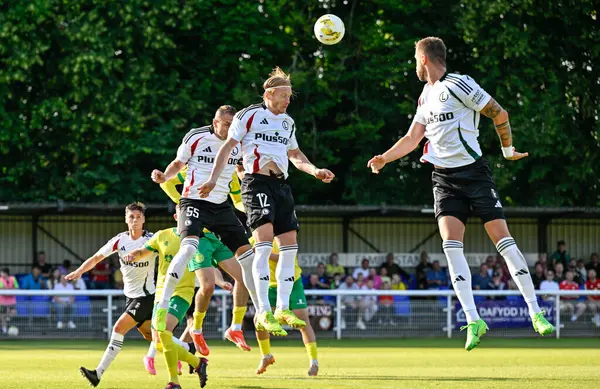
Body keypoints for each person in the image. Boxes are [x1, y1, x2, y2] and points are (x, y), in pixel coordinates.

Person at [367, 36, 554, 350]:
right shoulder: (425, 96)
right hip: (443, 179)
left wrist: (507, 150)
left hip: (475, 174)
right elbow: (413, 138)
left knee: (503, 240)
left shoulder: (459, 84)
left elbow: (499, 112)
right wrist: (385, 157)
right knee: (451, 247)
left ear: (424, 58)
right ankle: (473, 320)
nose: (414, 64)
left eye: (415, 58)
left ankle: (536, 312)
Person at [198, 68, 335, 335]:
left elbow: (295, 154)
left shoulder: (287, 122)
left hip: (281, 185)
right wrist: (215, 179)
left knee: (289, 247)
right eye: (283, 96)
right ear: (269, 94)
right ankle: (263, 311)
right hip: (255, 182)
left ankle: (282, 307)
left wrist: (315, 170)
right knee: (262, 244)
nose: (287, 101)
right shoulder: (248, 115)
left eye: (289, 97)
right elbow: (227, 147)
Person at [149, 105, 257, 338]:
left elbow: (241, 172)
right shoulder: (197, 137)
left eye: (233, 124)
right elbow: (178, 164)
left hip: (220, 207)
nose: (231, 128)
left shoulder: (238, 142)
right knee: (188, 249)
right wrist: (164, 177)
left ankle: (255, 316)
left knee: (248, 258)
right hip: (193, 202)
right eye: (227, 124)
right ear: (215, 122)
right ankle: (162, 307)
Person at [65, 203, 183, 387]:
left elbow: (171, 252)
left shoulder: (152, 239)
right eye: (131, 217)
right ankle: (191, 354)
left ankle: (98, 373)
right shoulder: (120, 240)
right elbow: (97, 258)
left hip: (146, 296)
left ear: (144, 219)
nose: (134, 220)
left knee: (119, 328)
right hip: (131, 296)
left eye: (138, 216)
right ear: (125, 219)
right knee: (156, 338)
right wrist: (80, 271)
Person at [125, 218, 236, 389]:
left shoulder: (198, 238)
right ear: (177, 216)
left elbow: (209, 266)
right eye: (181, 211)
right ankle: (197, 362)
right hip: (161, 294)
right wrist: (134, 254)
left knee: (164, 331)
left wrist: (220, 282)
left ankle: (174, 382)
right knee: (159, 341)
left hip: (182, 293)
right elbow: (142, 250)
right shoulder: (162, 235)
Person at [156, 161, 255, 352]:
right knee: (207, 286)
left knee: (244, 278)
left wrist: (252, 208)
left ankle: (235, 328)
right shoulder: (195, 169)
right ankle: (197, 329)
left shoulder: (230, 174)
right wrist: (183, 202)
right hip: (199, 235)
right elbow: (166, 183)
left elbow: (238, 203)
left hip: (217, 235)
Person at [252, 236, 319, 377]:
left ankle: (314, 362)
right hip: (269, 284)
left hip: (292, 282)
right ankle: (266, 356)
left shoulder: (284, 234)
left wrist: (263, 253)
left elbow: (285, 257)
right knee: (259, 321)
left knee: (302, 321)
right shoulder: (254, 238)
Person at [0, 268, 19, 335]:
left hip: (12, 301)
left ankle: (7, 317)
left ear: (6, 273)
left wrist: (9, 290)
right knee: (2, 316)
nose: (1, 274)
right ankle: (4, 331)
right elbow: (2, 289)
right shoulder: (0, 279)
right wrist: (11, 289)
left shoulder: (13, 278)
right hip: (2, 302)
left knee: (14, 312)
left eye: (2, 273)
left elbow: (16, 287)